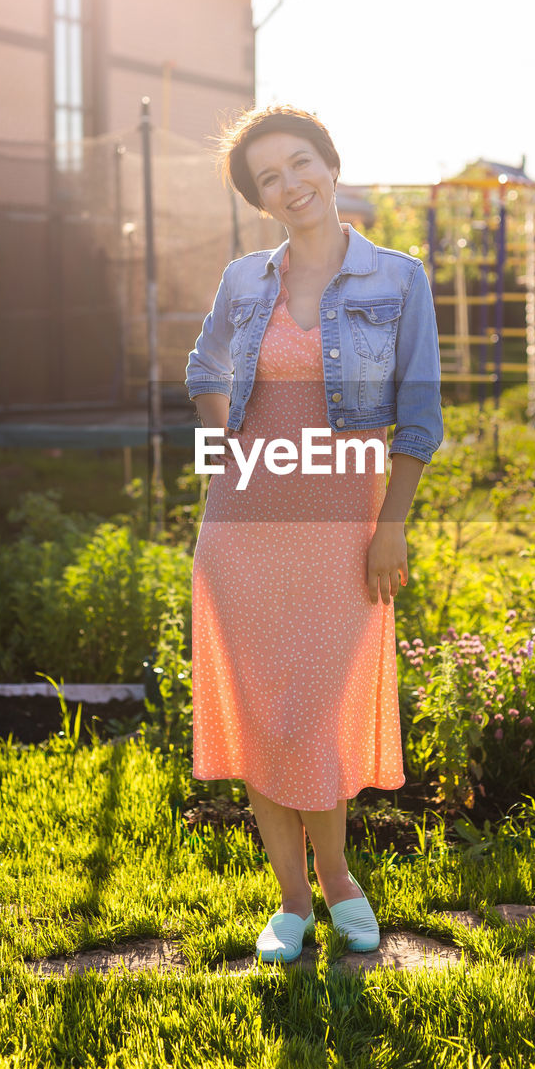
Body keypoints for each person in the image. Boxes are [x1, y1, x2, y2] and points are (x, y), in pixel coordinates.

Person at [185, 105, 443, 964]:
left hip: (341, 525)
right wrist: (223, 454)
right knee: (262, 709)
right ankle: (291, 900)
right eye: (270, 178)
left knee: (320, 712)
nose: (291, 184)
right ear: (259, 199)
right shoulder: (243, 280)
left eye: (301, 164)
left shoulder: (398, 280)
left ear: (329, 164)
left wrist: (389, 528)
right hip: (244, 521)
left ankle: (339, 882)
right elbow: (203, 366)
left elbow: (418, 417)